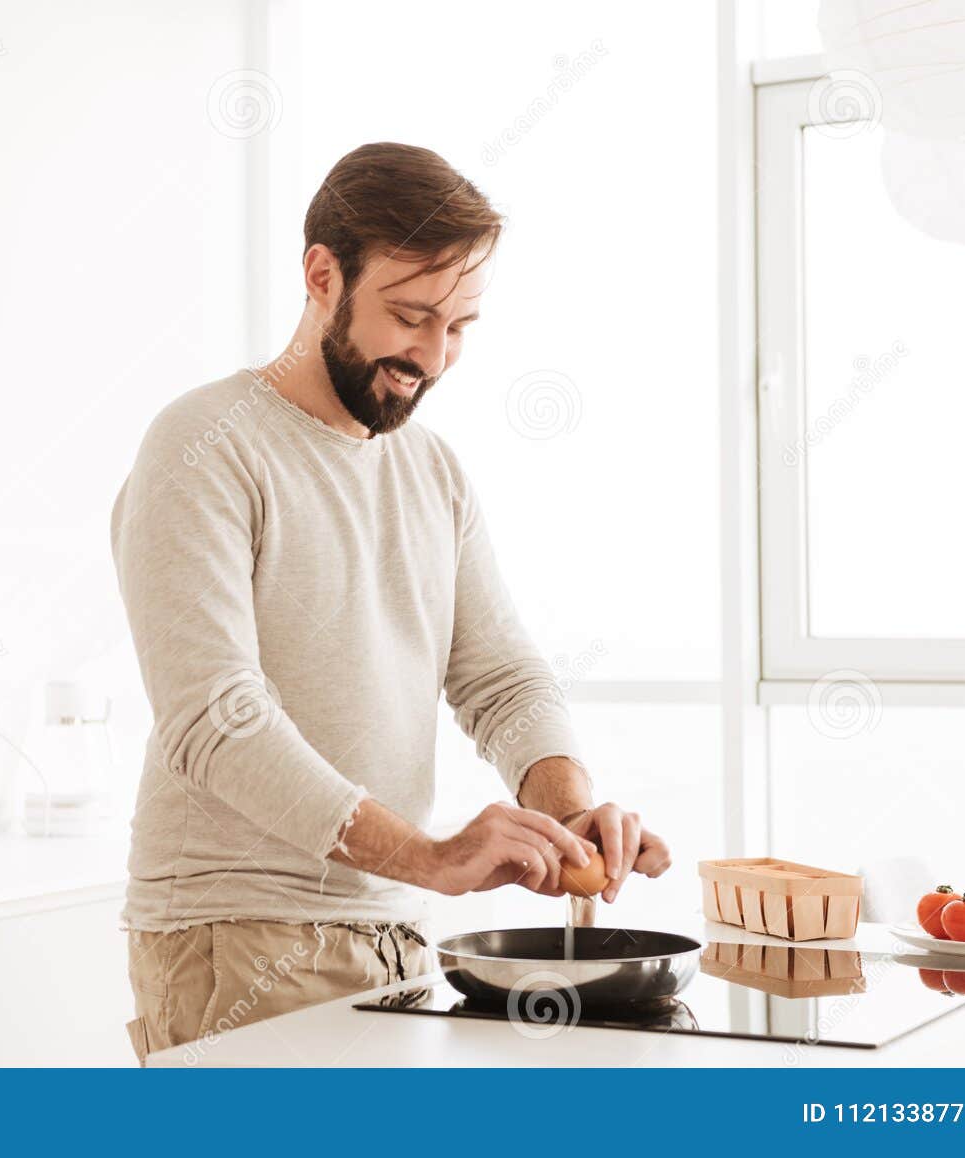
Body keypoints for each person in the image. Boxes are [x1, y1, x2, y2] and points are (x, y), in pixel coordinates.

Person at [110, 142, 670, 1063]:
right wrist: (432, 857)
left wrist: (568, 812)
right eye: (410, 317)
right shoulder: (205, 446)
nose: (434, 355)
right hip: (241, 935)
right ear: (322, 276)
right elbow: (215, 718)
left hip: (395, 937)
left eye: (460, 326)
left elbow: (499, 675)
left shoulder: (430, 467)